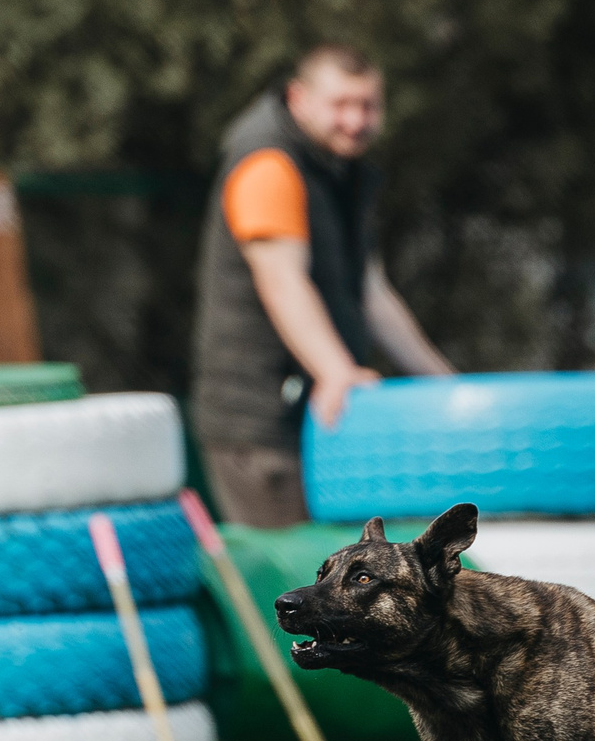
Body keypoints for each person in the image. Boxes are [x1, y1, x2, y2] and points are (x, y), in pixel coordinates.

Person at [190, 45, 454, 526]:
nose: (355, 121)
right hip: (261, 425)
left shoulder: (338, 170)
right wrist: (336, 371)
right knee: (296, 569)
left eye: (368, 106)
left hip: (319, 420)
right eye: (341, 105)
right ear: (299, 98)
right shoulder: (267, 163)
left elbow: (372, 294)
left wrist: (447, 386)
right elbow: (280, 278)